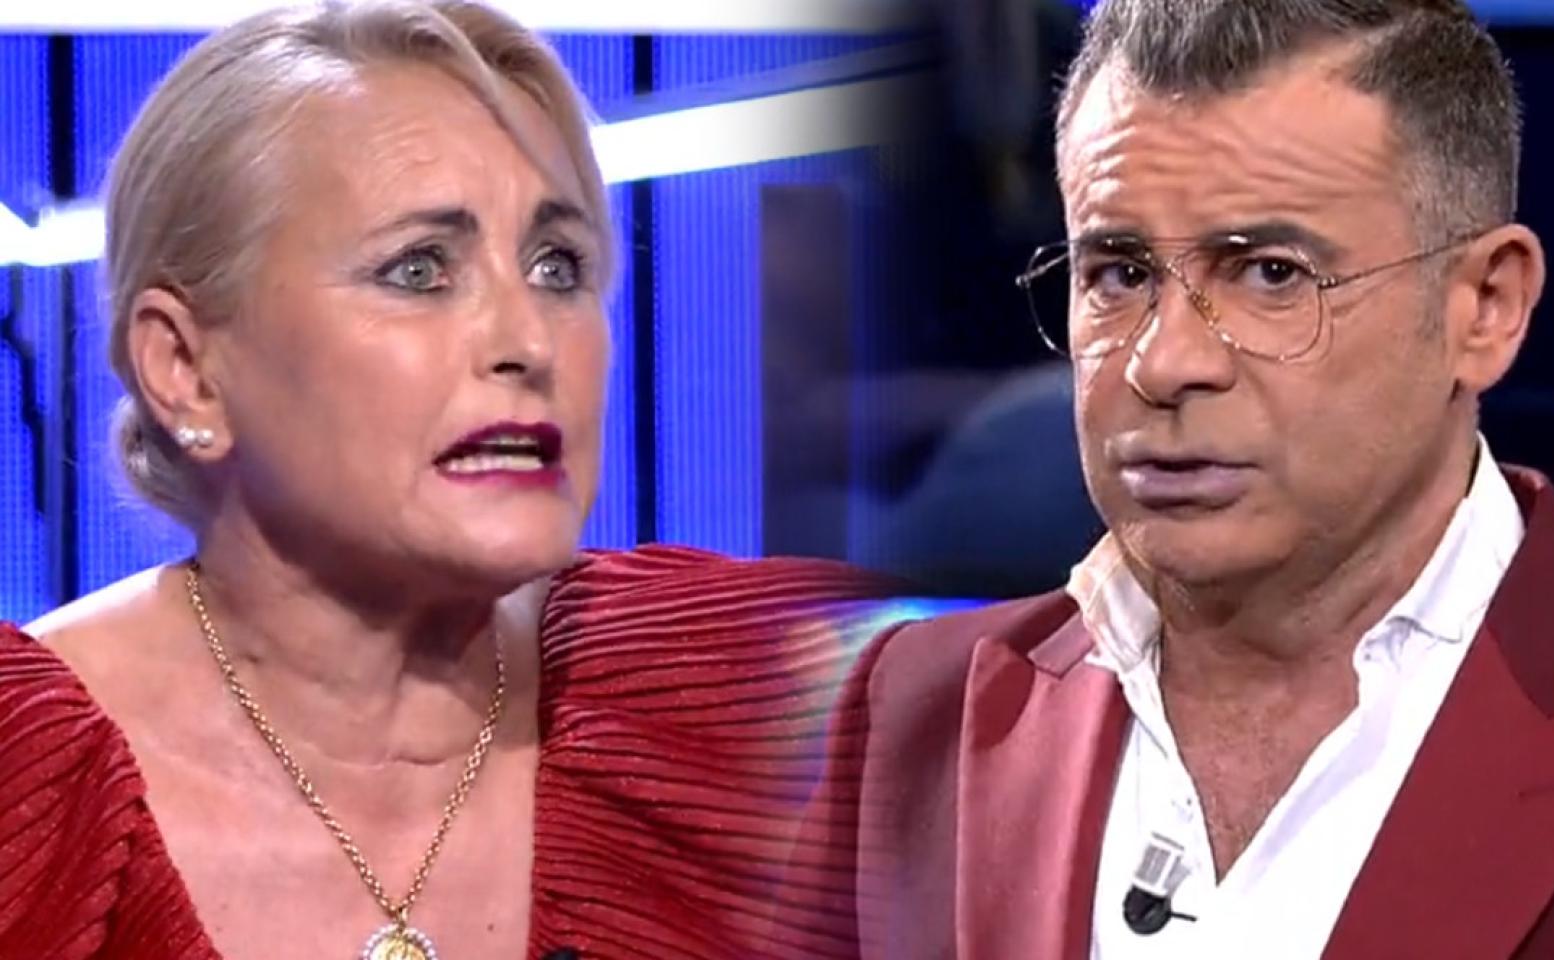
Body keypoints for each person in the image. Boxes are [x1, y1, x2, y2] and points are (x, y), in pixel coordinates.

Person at [815, 1, 1554, 956]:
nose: (1164, 363)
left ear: (1485, 307)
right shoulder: (906, 717)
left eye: (1273, 274)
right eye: (1118, 274)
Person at [0, 3, 891, 958]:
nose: (528, 341)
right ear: (185, 370)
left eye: (557, 267)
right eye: (419, 270)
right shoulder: (26, 778)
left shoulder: (746, 691)